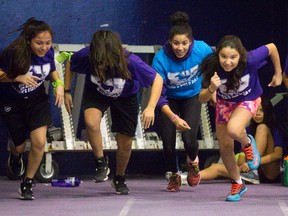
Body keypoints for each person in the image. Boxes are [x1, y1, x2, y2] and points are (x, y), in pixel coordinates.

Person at [64, 30, 163, 195]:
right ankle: (101, 162)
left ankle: (119, 177)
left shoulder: (130, 61)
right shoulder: (87, 55)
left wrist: (151, 107)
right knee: (90, 122)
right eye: (98, 60)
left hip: (126, 96)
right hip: (96, 92)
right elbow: (70, 63)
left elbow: (157, 79)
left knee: (125, 141)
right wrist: (67, 90)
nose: (101, 64)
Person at [198, 35, 282, 201]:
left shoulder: (250, 59)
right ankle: (237, 183)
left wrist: (278, 74)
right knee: (225, 146)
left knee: (234, 129)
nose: (228, 62)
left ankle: (248, 144)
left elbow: (271, 46)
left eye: (233, 57)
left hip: (248, 100)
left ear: (240, 56)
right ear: (218, 55)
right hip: (225, 103)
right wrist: (211, 89)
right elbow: (201, 98)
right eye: (223, 56)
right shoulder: (212, 66)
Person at [0, 18, 64, 200]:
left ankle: (27, 183)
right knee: (18, 147)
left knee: (38, 142)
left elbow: (52, 69)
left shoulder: (49, 52)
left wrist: (58, 84)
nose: (44, 47)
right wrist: (16, 77)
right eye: (39, 43)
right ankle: (15, 157)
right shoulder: (14, 52)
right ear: (29, 40)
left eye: (48, 43)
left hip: (36, 102)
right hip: (12, 103)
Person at [151, 11, 213, 192]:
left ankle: (193, 162)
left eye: (184, 43)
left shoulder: (202, 49)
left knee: (189, 138)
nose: (180, 47)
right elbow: (159, 95)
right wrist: (172, 117)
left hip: (192, 97)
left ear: (191, 42)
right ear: (170, 42)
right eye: (176, 43)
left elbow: (215, 66)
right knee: (168, 144)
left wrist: (211, 89)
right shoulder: (160, 59)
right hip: (168, 100)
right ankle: (174, 173)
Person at [200, 98, 283, 184]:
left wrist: (254, 163)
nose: (257, 114)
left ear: (267, 112)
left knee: (262, 128)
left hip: (269, 173)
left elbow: (278, 154)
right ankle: (191, 177)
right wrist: (243, 163)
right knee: (216, 167)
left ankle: (253, 170)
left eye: (261, 110)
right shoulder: (247, 129)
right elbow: (242, 154)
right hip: (250, 172)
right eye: (255, 110)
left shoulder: (274, 129)